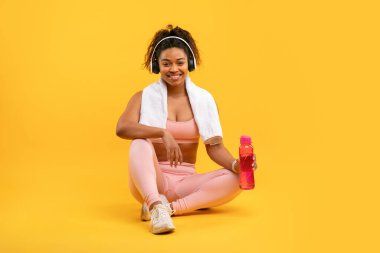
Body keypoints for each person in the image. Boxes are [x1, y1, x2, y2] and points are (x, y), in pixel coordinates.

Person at [116, 24, 257, 234]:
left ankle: (170, 209)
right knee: (139, 143)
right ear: (157, 66)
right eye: (166, 64)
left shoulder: (204, 100)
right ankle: (155, 204)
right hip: (151, 181)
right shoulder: (143, 97)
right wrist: (161, 133)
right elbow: (122, 128)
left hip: (185, 183)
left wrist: (238, 165)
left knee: (237, 178)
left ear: (189, 63)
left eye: (180, 62)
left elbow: (215, 147)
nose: (174, 69)